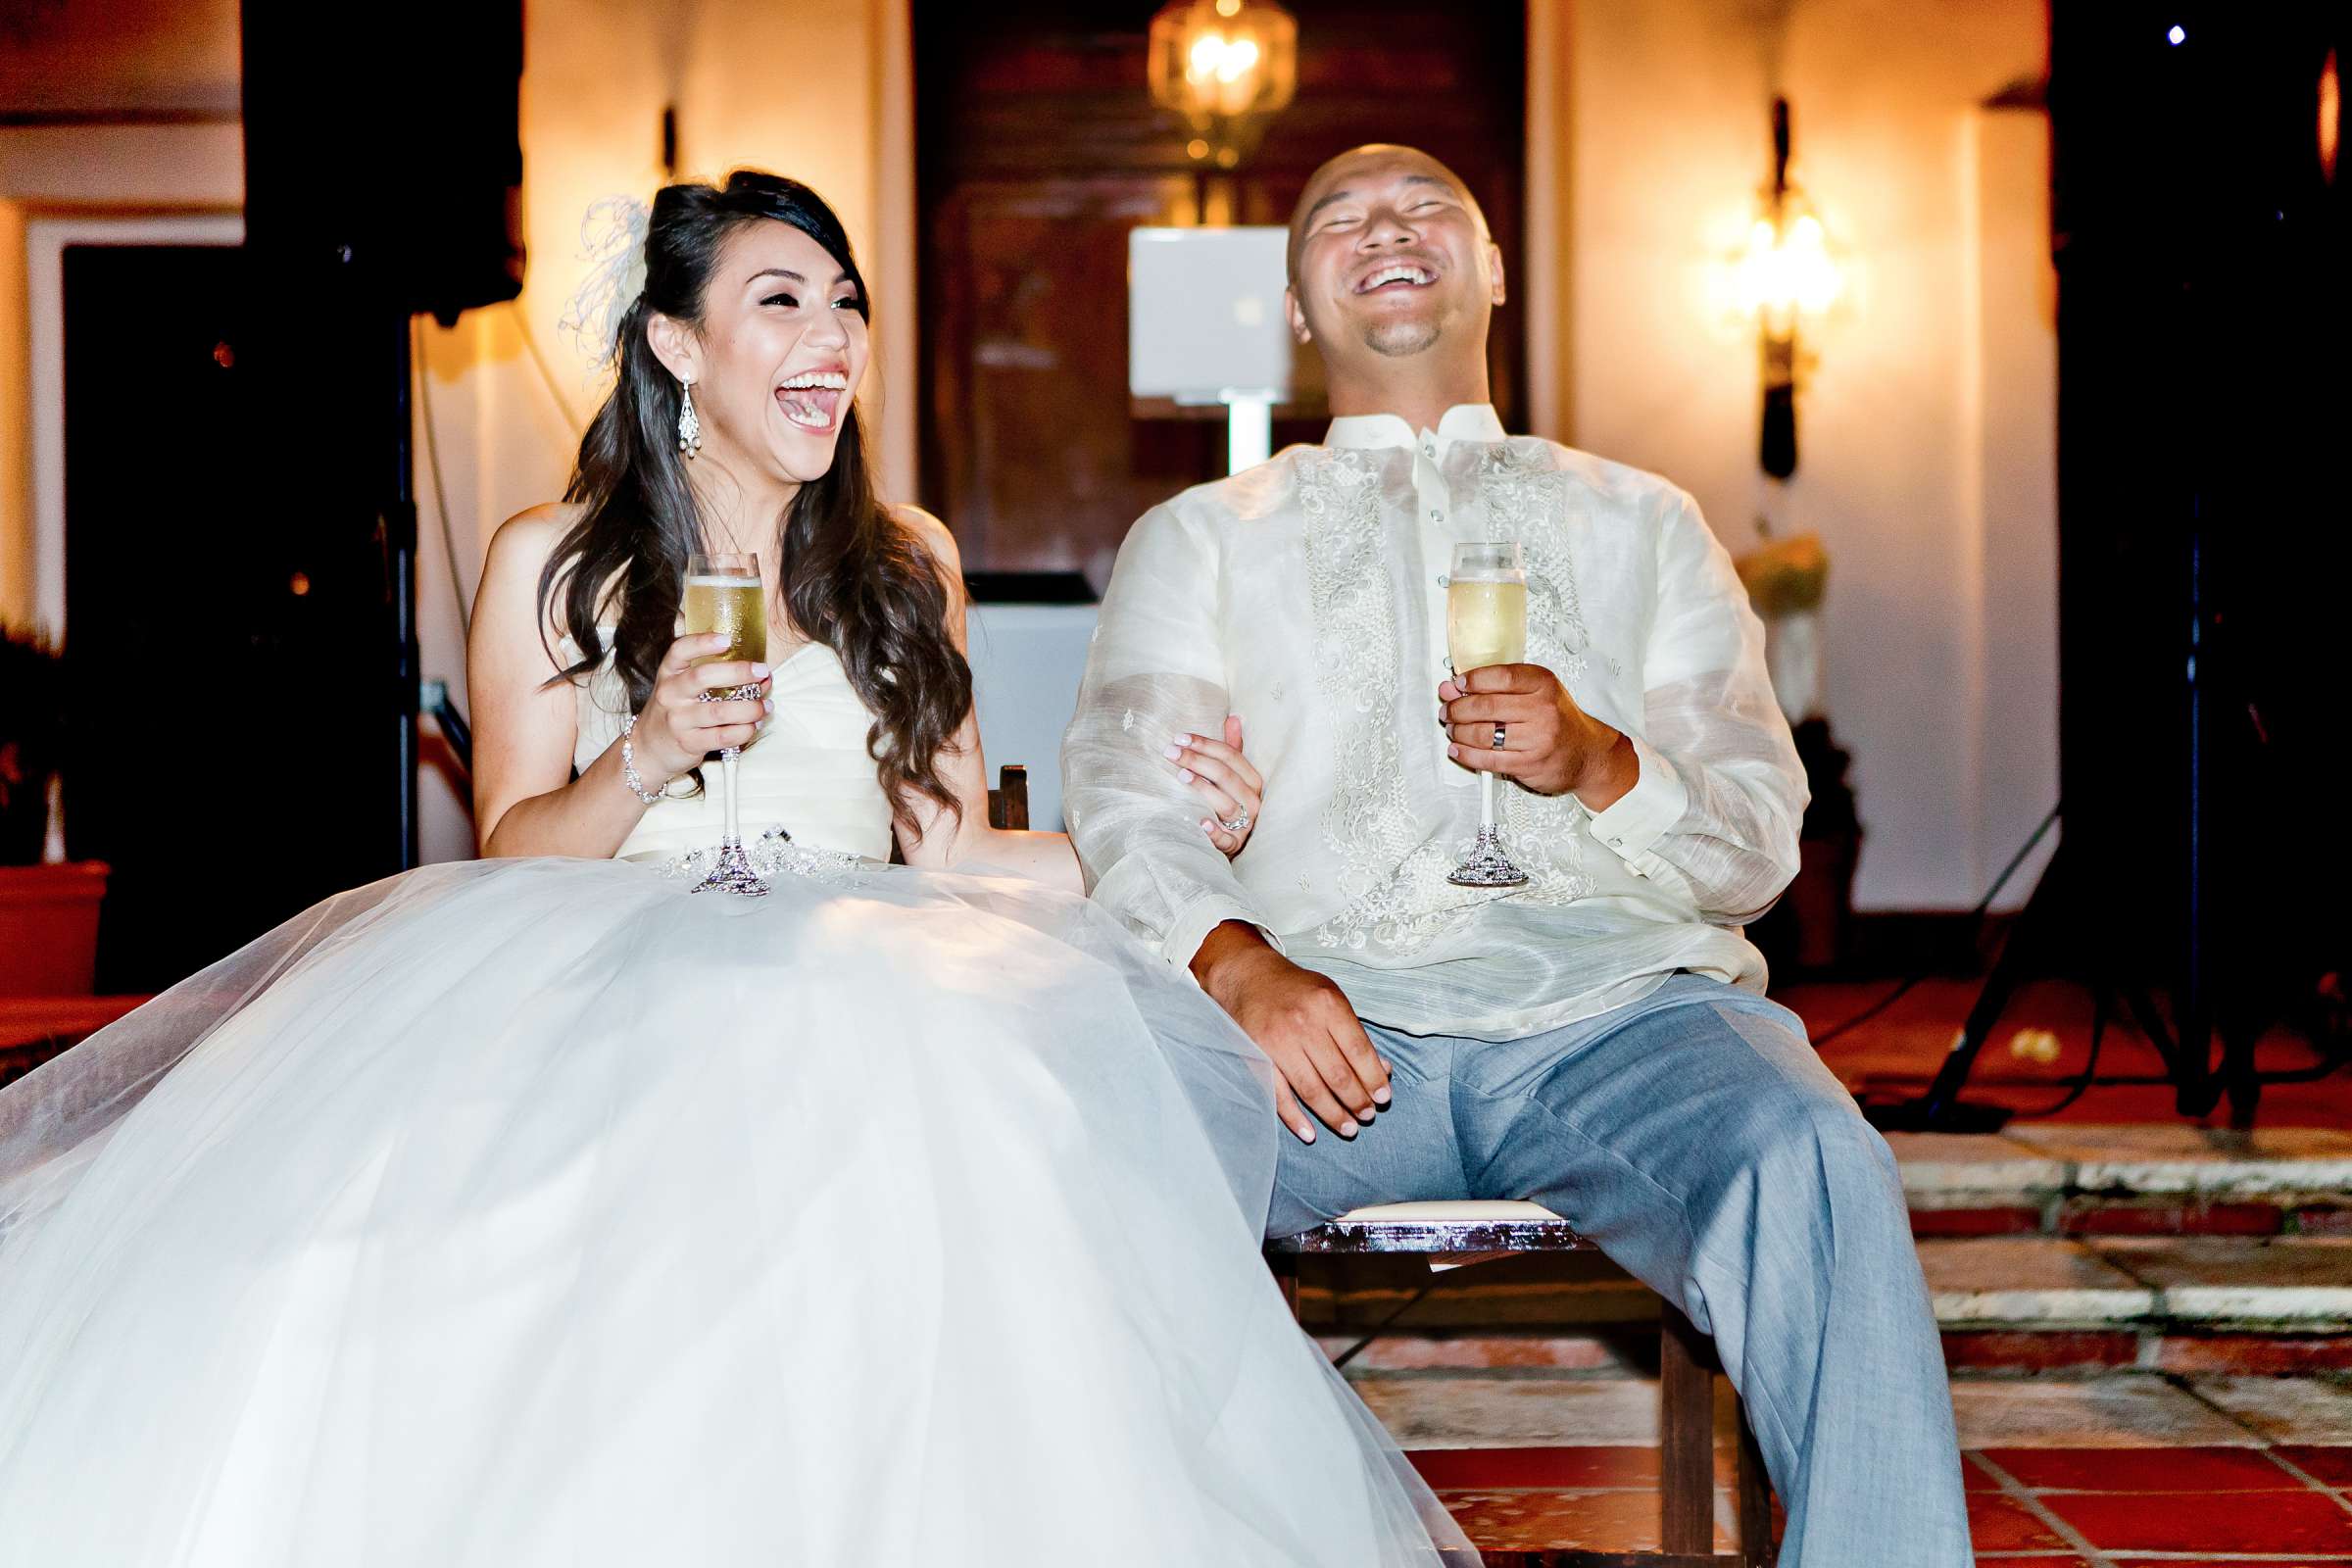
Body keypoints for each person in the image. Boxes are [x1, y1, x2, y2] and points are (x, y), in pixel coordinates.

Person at [0, 172, 1464, 1567]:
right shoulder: (547, 558)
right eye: (781, 302)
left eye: (846, 301)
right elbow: (513, 842)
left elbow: (953, 847)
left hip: (870, 981)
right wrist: (639, 756)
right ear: (675, 345)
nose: (831, 338)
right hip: (604, 969)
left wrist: (1169, 831)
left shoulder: (906, 564)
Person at [1063, 144, 1971, 1566]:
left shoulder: (1647, 522)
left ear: (1494, 272)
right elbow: (1125, 794)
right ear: (1299, 308)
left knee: (1816, 1155)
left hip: (1621, 1013)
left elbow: (1758, 840)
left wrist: (1603, 764)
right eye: (1339, 220)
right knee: (1088, 1150)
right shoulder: (1201, 538)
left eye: (1429, 207)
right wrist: (1241, 966)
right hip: (1320, 1028)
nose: (1387, 228)